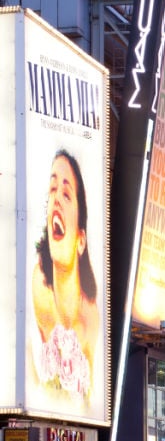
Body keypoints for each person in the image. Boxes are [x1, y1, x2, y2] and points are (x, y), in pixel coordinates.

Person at [31, 149, 100, 397]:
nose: (56, 199)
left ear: (81, 240)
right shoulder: (37, 287)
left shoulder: (92, 321)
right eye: (52, 190)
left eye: (66, 193)